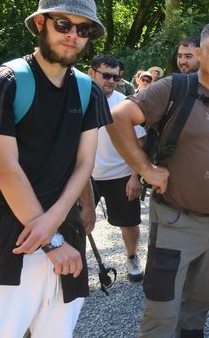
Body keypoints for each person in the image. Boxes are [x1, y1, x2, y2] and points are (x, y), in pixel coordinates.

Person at [107, 20, 209, 338]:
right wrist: (145, 169)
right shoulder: (175, 87)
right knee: (162, 312)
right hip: (176, 221)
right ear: (201, 53)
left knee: (198, 309)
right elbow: (118, 118)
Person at [0, 0, 111, 336]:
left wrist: (53, 230)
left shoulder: (89, 90)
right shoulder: (4, 80)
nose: (73, 35)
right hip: (9, 241)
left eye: (83, 29)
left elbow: (85, 163)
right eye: (63, 24)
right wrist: (50, 240)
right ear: (40, 23)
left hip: (65, 244)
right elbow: (5, 168)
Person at [86, 54, 146, 282]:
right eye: (106, 75)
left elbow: (140, 142)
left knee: (128, 224)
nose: (111, 81)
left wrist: (135, 177)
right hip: (85, 176)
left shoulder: (125, 103)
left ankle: (132, 257)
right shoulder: (77, 98)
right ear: (91, 73)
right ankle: (77, 265)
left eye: (116, 77)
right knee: (77, 222)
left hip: (120, 175)